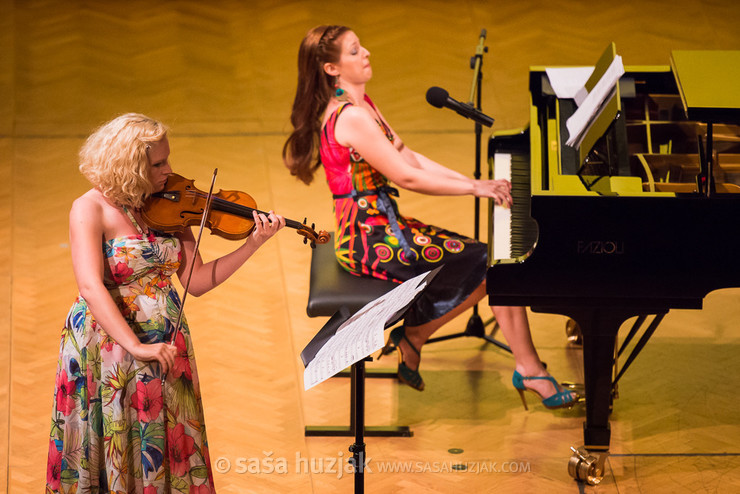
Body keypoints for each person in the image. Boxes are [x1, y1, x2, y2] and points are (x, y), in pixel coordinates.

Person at [283, 25, 576, 410]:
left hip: (385, 228)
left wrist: (474, 182)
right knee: (495, 268)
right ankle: (520, 366)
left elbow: (407, 156)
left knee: (495, 264)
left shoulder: (361, 104)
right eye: (354, 51)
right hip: (370, 240)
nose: (366, 52)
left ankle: (429, 341)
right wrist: (475, 189)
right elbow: (404, 177)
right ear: (331, 68)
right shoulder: (350, 117)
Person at [46, 113, 285, 493]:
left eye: (167, 159)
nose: (168, 170)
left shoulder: (168, 205)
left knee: (163, 444)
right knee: (114, 445)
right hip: (109, 348)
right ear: (129, 165)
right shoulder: (89, 209)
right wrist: (137, 345)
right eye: (157, 164)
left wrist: (252, 244)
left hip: (167, 346)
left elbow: (197, 281)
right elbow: (91, 287)